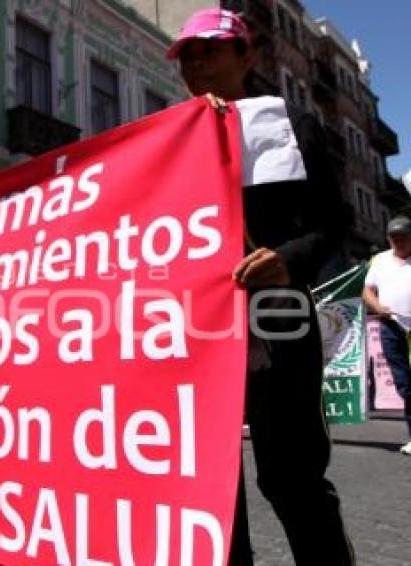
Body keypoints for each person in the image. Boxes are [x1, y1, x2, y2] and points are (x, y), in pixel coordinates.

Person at [167, 8, 354, 565]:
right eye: (188, 56)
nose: (197, 64)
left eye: (211, 51)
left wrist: (289, 259)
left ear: (246, 57)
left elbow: (333, 221)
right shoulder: (170, 136)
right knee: (211, 487)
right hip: (195, 330)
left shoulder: (291, 123)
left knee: (291, 476)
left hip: (277, 318)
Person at [362, 216, 411, 454]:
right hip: (391, 327)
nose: (399, 242)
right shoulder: (380, 260)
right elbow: (367, 290)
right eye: (394, 238)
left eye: (403, 237)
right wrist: (378, 307)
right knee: (405, 384)